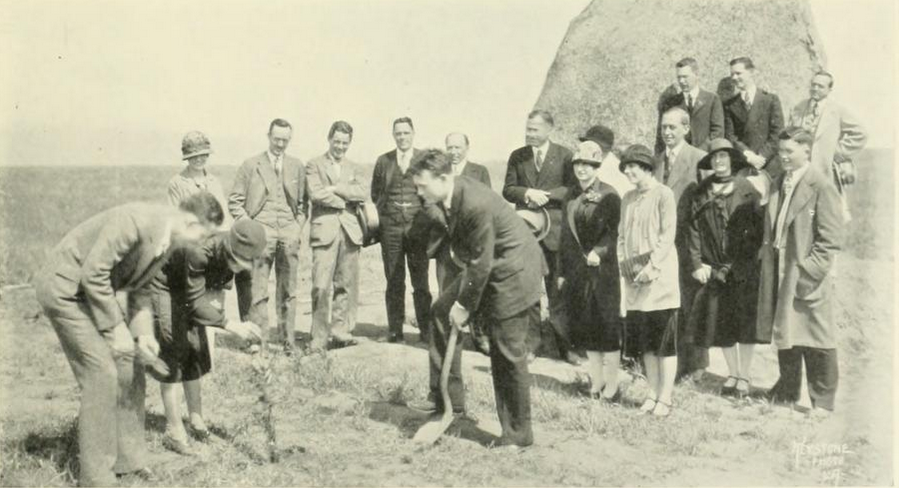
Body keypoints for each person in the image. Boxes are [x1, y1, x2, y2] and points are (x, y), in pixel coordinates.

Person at [33, 193, 222, 486]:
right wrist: (116, 329)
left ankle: (130, 463)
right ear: (189, 221)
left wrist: (143, 334)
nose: (201, 244)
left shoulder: (169, 238)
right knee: (102, 374)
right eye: (202, 235)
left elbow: (141, 289)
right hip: (65, 290)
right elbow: (94, 274)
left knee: (132, 367)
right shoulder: (133, 222)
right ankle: (97, 479)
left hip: (91, 294)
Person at [409, 149, 544, 447]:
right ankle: (449, 405)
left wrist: (464, 305)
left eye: (422, 185)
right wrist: (456, 305)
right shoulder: (446, 194)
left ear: (443, 178)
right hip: (486, 266)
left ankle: (518, 437)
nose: (418, 191)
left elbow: (482, 262)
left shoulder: (475, 202)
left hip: (514, 272)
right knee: (440, 312)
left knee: (506, 352)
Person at [154, 218, 265, 455]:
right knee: (172, 353)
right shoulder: (200, 251)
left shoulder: (244, 257)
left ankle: (197, 421)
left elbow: (247, 299)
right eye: (241, 263)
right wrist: (228, 324)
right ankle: (174, 431)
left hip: (193, 290)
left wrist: (253, 346)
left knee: (195, 351)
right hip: (165, 285)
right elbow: (194, 303)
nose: (245, 268)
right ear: (230, 251)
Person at [759, 128, 844, 414]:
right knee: (787, 332)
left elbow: (830, 239)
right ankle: (788, 389)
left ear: (806, 150)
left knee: (817, 335)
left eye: (789, 152)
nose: (782, 156)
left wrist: (809, 272)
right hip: (783, 269)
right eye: (780, 151)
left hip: (806, 272)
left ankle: (822, 400)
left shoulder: (820, 184)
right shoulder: (781, 180)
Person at [687, 139, 766, 398]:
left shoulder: (748, 190)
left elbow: (757, 232)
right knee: (721, 323)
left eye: (723, 157)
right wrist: (698, 263)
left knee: (744, 323)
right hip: (714, 269)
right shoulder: (701, 191)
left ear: (732, 159)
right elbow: (693, 230)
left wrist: (743, 263)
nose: (719, 162)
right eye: (714, 158)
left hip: (743, 268)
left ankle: (744, 374)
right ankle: (732, 373)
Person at [502, 109, 577, 364]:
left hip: (555, 232)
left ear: (549, 129)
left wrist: (545, 195)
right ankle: (532, 344)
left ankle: (566, 347)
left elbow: (572, 187)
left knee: (558, 291)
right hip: (527, 232)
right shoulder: (518, 156)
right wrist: (526, 193)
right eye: (527, 128)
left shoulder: (565, 155)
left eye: (534, 129)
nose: (529, 133)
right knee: (530, 290)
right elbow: (508, 189)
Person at [228, 118, 309, 353]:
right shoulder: (251, 165)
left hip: (288, 232)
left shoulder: (296, 166)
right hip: (260, 233)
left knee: (289, 290)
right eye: (277, 139)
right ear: (268, 136)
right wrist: (251, 229)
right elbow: (235, 201)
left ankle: (288, 341)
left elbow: (304, 205)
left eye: (285, 140)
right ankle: (259, 340)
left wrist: (296, 228)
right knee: (257, 289)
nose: (280, 144)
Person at [617, 144, 680, 417]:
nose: (628, 172)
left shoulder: (664, 194)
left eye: (632, 166)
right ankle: (652, 393)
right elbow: (621, 236)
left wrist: (651, 266)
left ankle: (666, 397)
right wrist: (626, 266)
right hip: (635, 280)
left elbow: (668, 235)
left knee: (664, 341)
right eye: (625, 167)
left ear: (645, 167)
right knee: (646, 343)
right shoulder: (627, 198)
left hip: (659, 279)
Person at [558, 141, 622, 401]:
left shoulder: (610, 195)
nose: (582, 169)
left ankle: (613, 385)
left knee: (607, 328)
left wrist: (600, 251)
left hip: (604, 273)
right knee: (587, 328)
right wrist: (562, 271)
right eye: (579, 164)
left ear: (597, 167)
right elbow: (565, 237)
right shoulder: (570, 196)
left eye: (589, 165)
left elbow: (615, 233)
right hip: (578, 272)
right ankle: (596, 383)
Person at [655, 107, 709, 382]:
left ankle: (697, 365)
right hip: (662, 244)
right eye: (664, 127)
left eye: (672, 128)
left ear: (686, 129)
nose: (667, 132)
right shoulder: (656, 162)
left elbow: (707, 206)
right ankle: (672, 362)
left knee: (692, 302)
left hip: (689, 243)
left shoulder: (699, 160)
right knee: (667, 303)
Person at [306, 121, 366, 353]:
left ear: (350, 143)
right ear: (329, 139)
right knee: (320, 286)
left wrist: (336, 188)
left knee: (346, 285)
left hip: (350, 232)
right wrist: (345, 199)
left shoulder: (355, 167)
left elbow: (362, 192)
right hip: (325, 232)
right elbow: (316, 193)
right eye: (337, 141)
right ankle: (318, 338)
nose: (340, 146)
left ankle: (341, 333)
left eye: (345, 143)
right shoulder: (314, 164)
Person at [370, 117, 431, 343]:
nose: (402, 137)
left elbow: (432, 191)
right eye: (398, 133)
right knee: (394, 279)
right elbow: (376, 194)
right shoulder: (383, 161)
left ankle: (426, 330)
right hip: (391, 229)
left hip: (417, 229)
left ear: (413, 133)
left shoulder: (424, 159)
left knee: (420, 281)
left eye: (406, 133)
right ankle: (395, 330)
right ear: (393, 135)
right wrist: (388, 218)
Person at [787, 71, 867, 219]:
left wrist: (836, 152)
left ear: (829, 90)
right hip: (801, 169)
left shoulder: (837, 110)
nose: (815, 89)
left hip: (824, 170)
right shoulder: (799, 108)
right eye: (813, 85)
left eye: (820, 86)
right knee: (800, 213)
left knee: (825, 212)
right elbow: (790, 134)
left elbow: (860, 133)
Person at [724, 57, 785, 178]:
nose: (734, 78)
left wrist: (761, 157)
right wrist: (748, 155)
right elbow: (730, 135)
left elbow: (777, 133)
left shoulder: (770, 100)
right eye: (732, 74)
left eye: (738, 73)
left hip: (769, 164)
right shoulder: (729, 105)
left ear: (751, 72)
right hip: (743, 164)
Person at [655, 57, 725, 153]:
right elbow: (662, 134)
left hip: (705, 156)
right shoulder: (672, 102)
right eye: (679, 77)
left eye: (685, 77)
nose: (682, 81)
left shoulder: (712, 100)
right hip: (680, 158)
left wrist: (698, 152)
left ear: (696, 75)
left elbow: (717, 131)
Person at [168, 131, 231, 225]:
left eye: (202, 155)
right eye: (193, 156)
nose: (198, 159)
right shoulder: (177, 183)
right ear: (187, 158)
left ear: (207, 155)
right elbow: (175, 217)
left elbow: (224, 214)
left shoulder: (214, 182)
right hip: (190, 234)